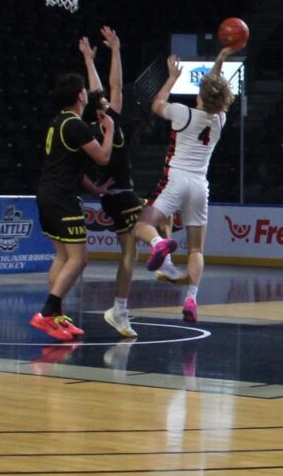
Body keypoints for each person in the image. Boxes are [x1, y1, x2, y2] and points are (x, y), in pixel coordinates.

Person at [132, 47, 235, 323]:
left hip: (176, 179)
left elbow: (156, 104)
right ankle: (191, 298)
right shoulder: (220, 119)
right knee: (196, 250)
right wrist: (221, 58)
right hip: (200, 186)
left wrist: (172, 78)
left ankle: (158, 243)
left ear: (200, 95)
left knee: (142, 225)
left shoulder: (183, 113)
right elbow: (214, 88)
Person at [30, 72, 114, 342]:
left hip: (47, 192)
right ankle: (47, 311)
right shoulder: (75, 125)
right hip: (61, 198)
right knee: (79, 259)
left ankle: (55, 316)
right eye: (84, 90)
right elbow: (103, 157)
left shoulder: (59, 121)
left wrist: (94, 189)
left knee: (63, 257)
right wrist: (110, 130)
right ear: (80, 95)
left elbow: (70, 167)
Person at [79, 27, 144, 340]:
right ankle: (166, 259)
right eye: (104, 100)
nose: (109, 99)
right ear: (98, 108)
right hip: (119, 194)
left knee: (130, 254)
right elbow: (111, 88)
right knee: (153, 220)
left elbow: (109, 87)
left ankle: (120, 308)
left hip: (118, 193)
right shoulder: (99, 126)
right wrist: (114, 51)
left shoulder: (102, 121)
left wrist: (93, 59)